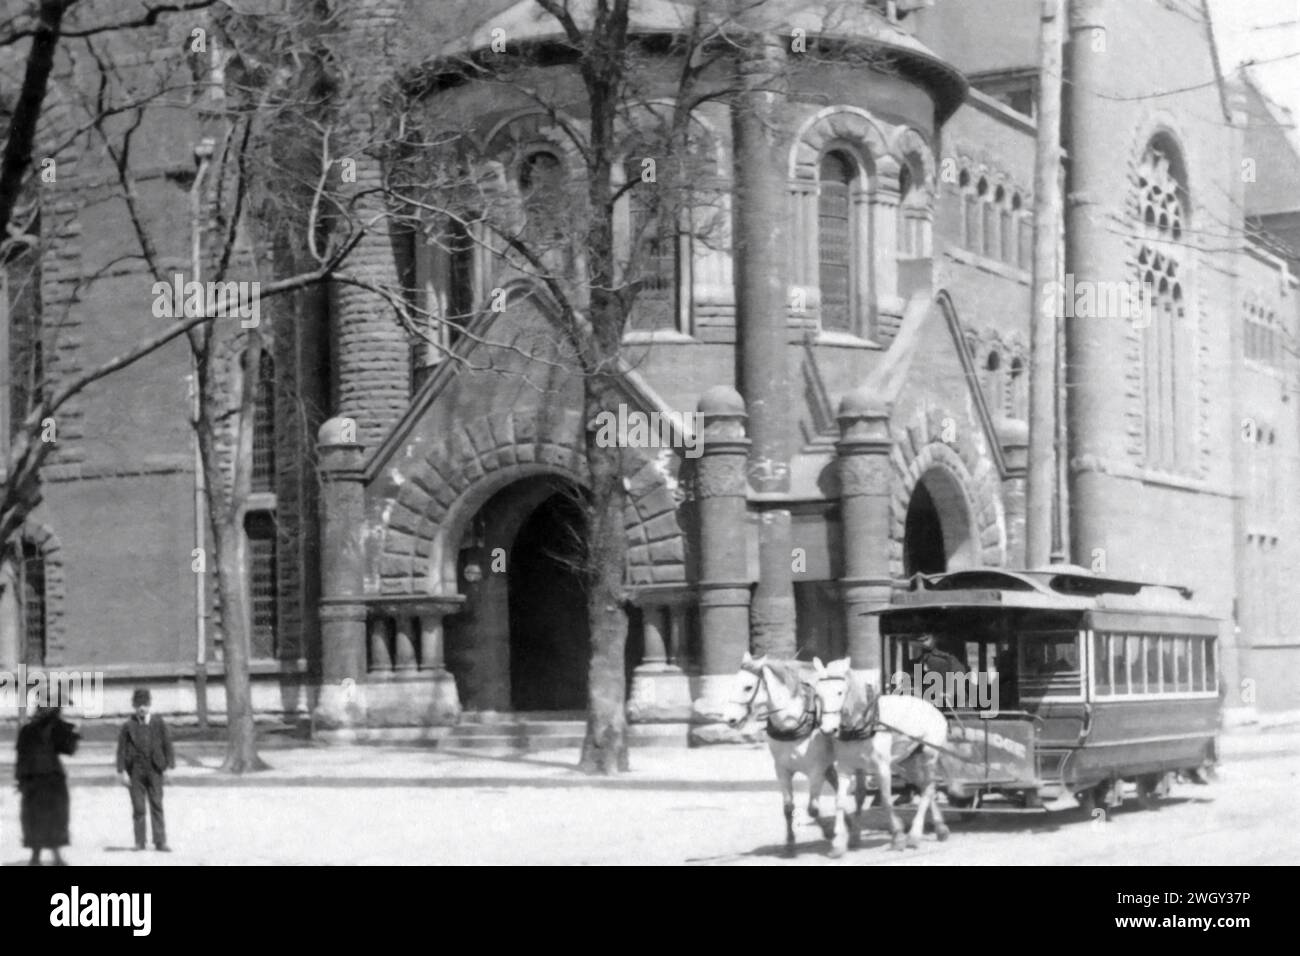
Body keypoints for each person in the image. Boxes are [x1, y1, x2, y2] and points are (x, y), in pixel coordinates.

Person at [15, 704, 80, 866]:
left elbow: (67, 749)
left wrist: (73, 734)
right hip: (41, 779)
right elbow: (21, 756)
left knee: (50, 818)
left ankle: (49, 856)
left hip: (46, 780)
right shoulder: (34, 729)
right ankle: (40, 856)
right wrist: (21, 780)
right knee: (41, 818)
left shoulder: (46, 727)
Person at [116, 688, 175, 852]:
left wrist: (169, 768)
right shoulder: (128, 726)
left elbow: (167, 745)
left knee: (157, 804)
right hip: (135, 771)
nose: (142, 708)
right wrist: (122, 772)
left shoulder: (159, 723)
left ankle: (160, 841)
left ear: (150, 704)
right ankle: (139, 841)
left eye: (145, 704)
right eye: (138, 704)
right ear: (134, 706)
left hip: (155, 769)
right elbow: (121, 750)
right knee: (138, 807)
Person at [908, 632, 967, 708]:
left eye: (925, 639)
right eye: (920, 641)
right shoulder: (922, 660)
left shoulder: (939, 660)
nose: (923, 643)